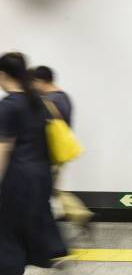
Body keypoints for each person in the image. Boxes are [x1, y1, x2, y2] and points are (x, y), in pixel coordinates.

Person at [0, 53, 68, 275]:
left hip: (15, 180)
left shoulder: (8, 106)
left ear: (3, 75)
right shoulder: (39, 101)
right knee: (19, 232)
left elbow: (3, 149)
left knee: (7, 236)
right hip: (39, 177)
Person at [30, 66, 93, 240]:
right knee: (53, 190)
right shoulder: (64, 97)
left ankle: (49, 233)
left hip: (49, 154)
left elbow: (43, 129)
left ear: (41, 81)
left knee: (43, 191)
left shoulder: (48, 101)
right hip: (60, 152)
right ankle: (80, 214)